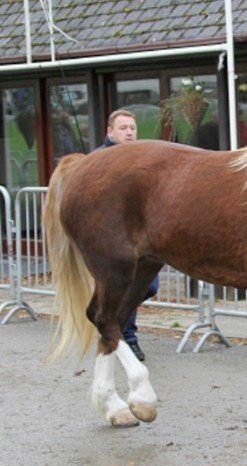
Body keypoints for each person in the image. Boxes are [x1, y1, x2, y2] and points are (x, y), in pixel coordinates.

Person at [95, 109, 159, 361]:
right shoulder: (100, 160)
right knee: (123, 283)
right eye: (123, 128)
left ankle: (115, 325)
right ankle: (126, 337)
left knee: (147, 285)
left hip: (136, 238)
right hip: (110, 238)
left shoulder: (138, 158)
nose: (130, 132)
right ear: (110, 132)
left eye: (132, 128)